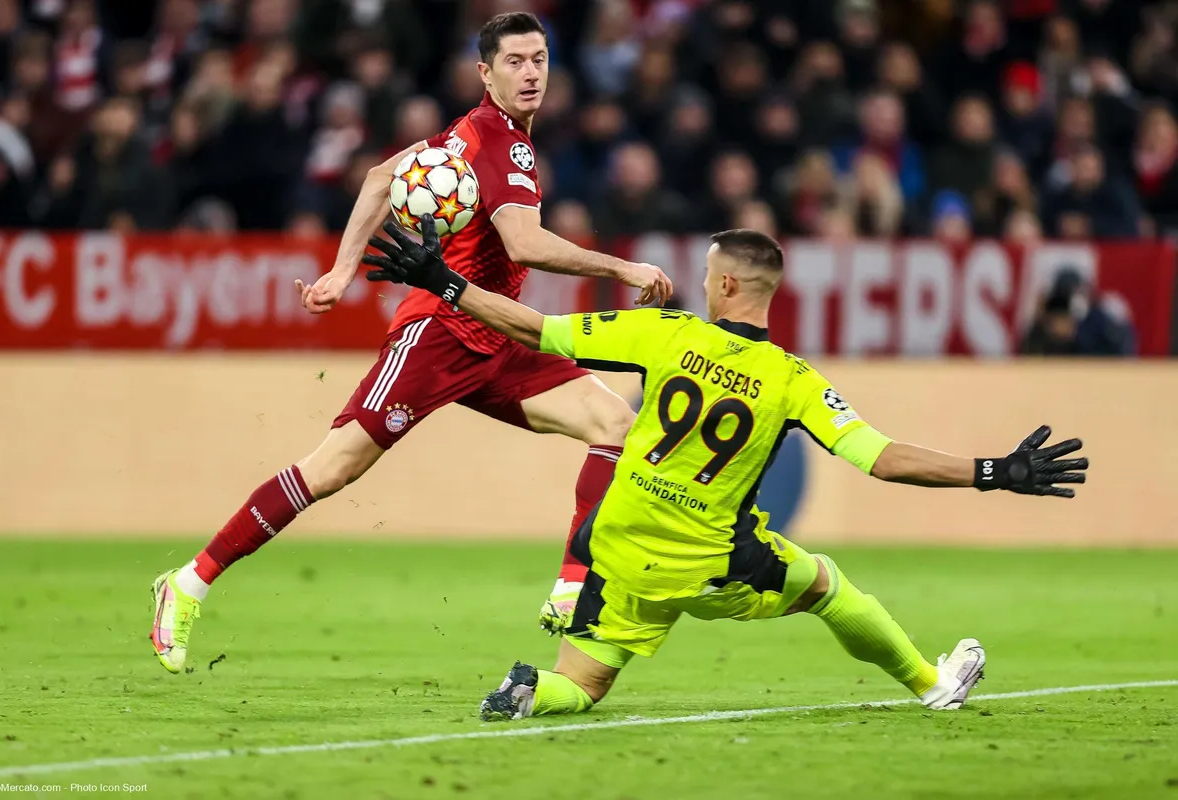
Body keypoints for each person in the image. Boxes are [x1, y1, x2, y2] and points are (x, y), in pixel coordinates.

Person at [364, 217, 1089, 721]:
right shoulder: (790, 379)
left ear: (734, 288)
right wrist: (995, 471)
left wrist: (444, 280)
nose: (703, 285)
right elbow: (882, 458)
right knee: (829, 584)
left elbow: (536, 328)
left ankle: (528, 693)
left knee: (581, 684)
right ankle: (934, 685)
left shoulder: (661, 332)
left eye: (710, 276)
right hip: (707, 559)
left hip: (615, 546)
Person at [148, 12, 672, 674]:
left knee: (614, 423)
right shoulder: (495, 142)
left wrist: (343, 269)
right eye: (515, 61)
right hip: (439, 333)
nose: (532, 72)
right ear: (485, 73)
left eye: (539, 59)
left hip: (497, 331)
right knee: (334, 468)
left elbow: (377, 179)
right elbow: (524, 243)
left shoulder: (477, 135)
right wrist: (622, 267)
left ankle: (572, 585)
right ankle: (189, 582)